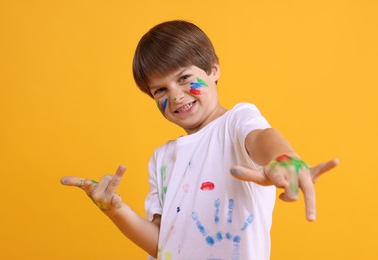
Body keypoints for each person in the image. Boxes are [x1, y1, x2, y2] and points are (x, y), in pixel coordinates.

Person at [61, 20, 339, 260]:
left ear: (213, 70)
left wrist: (283, 158)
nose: (177, 96)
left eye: (184, 78)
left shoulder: (236, 122)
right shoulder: (162, 158)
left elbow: (262, 138)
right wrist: (114, 210)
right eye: (160, 90)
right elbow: (162, 243)